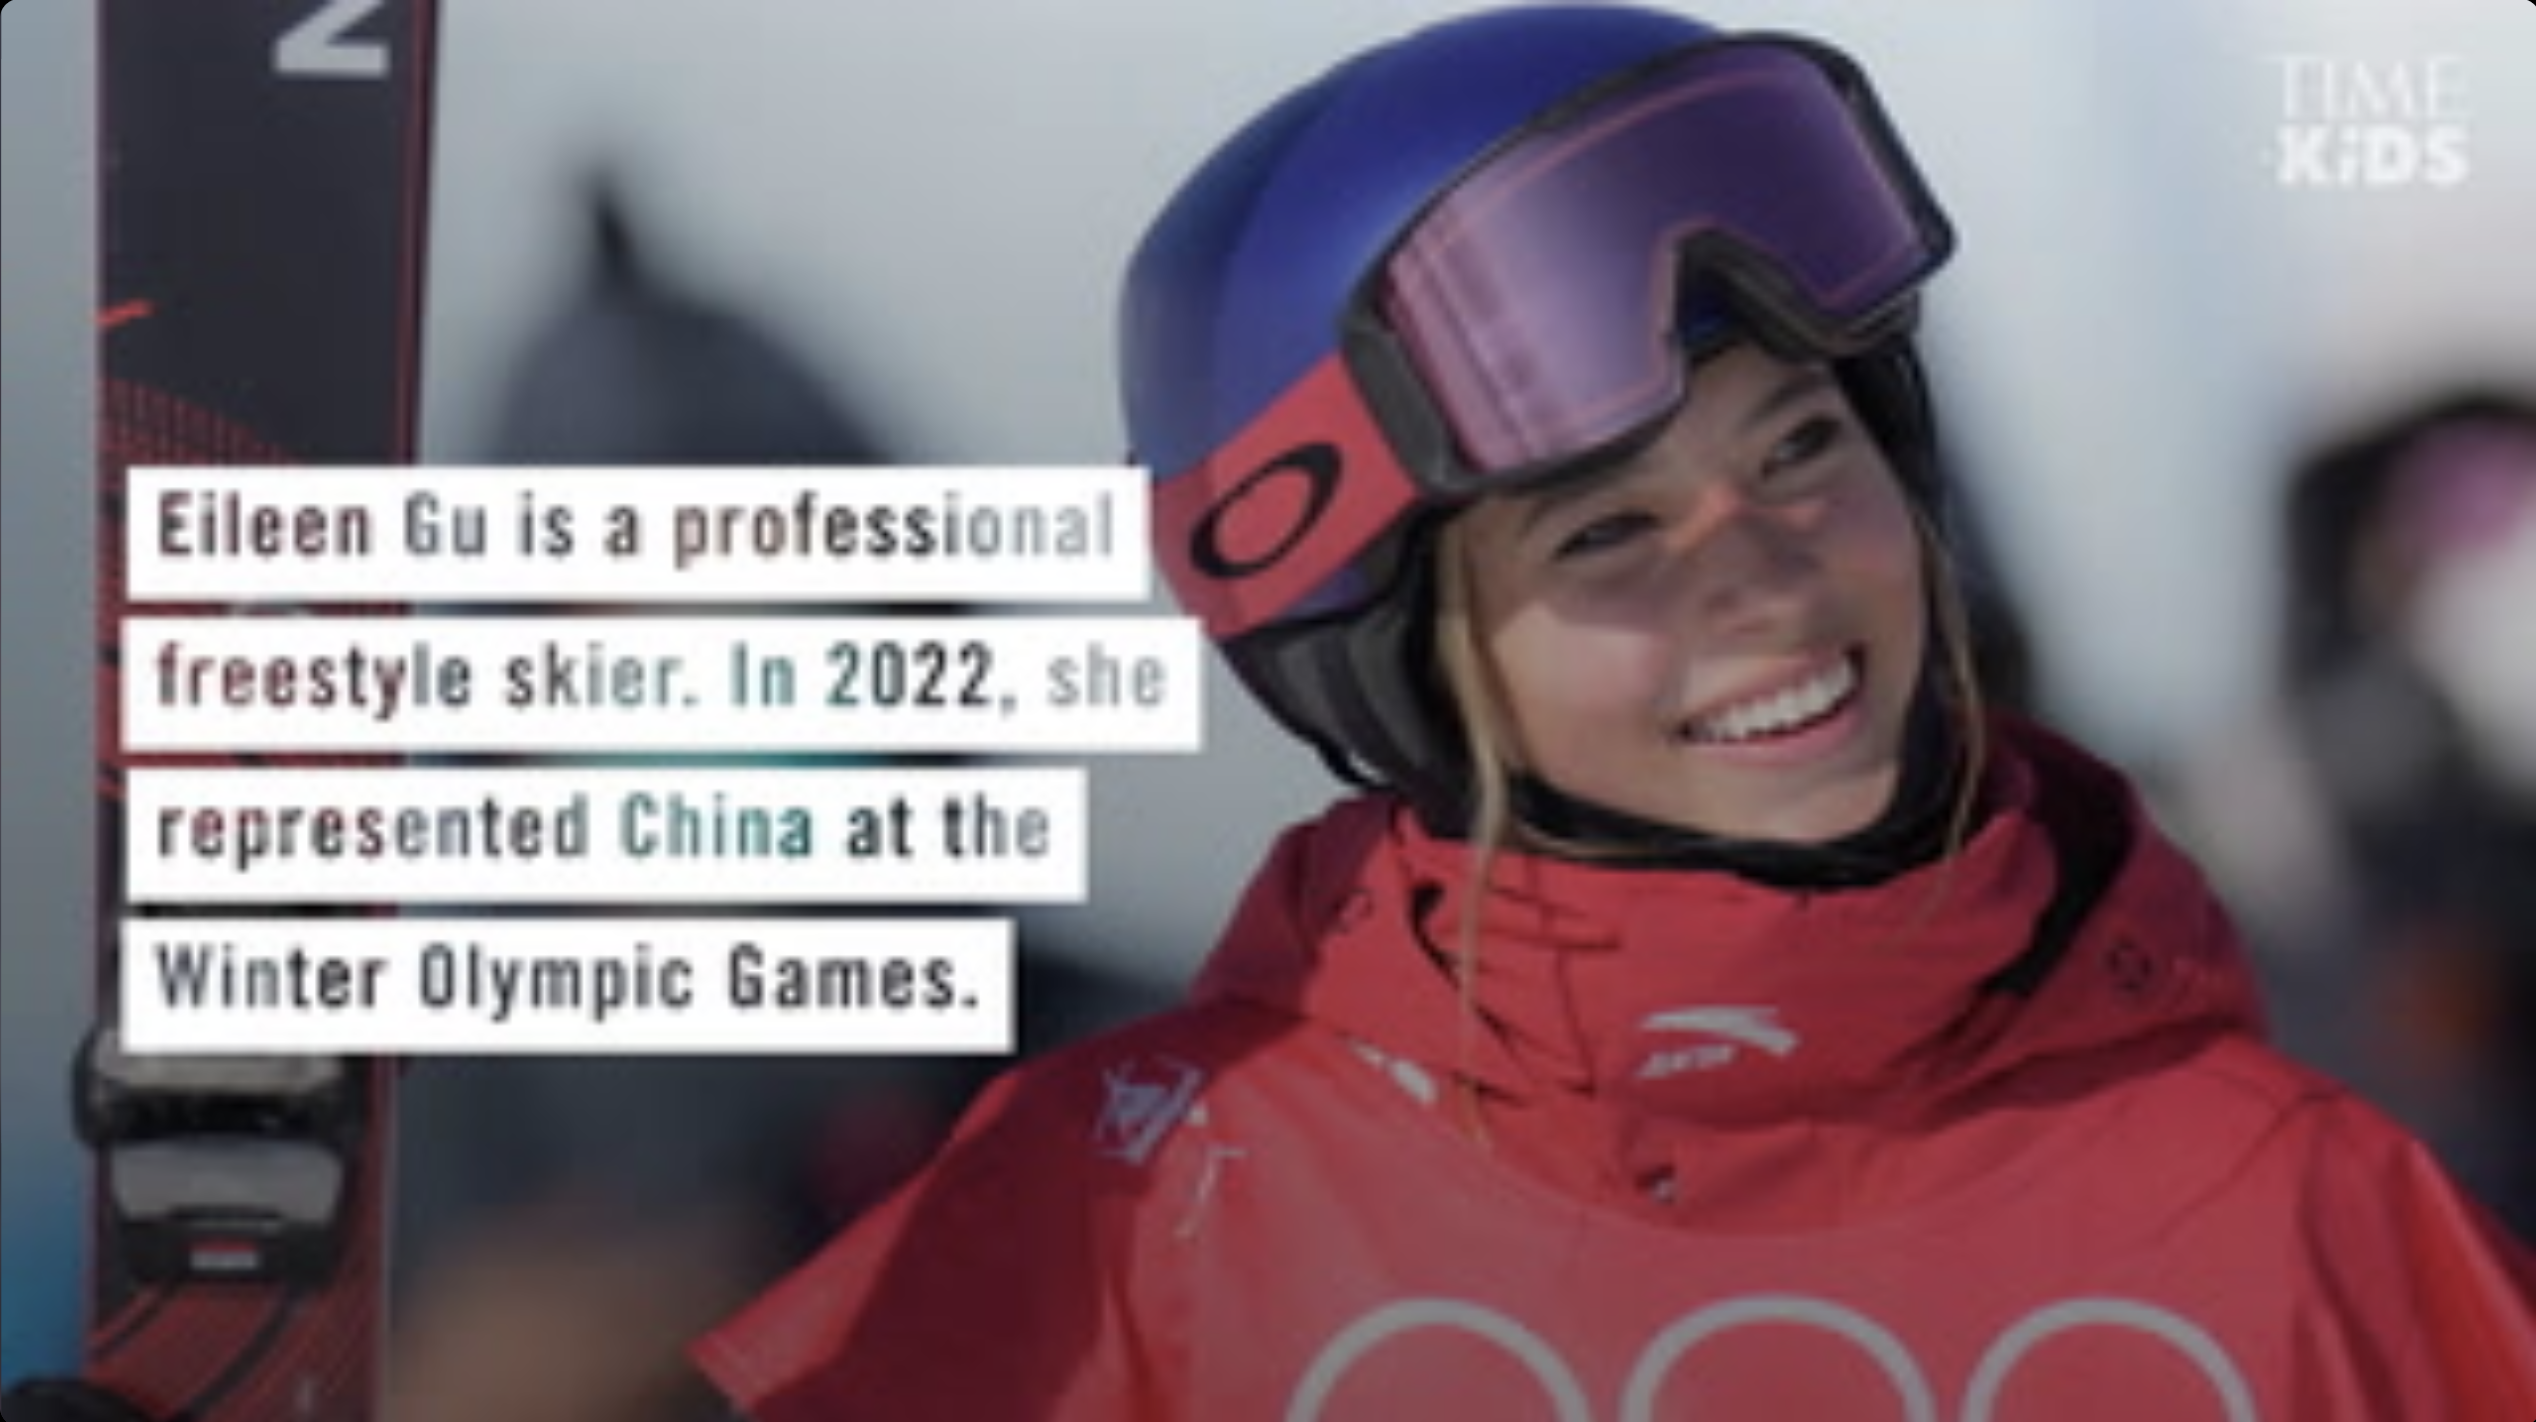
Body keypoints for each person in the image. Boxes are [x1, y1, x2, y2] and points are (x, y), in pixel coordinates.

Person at [691, 7, 2536, 1416]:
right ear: (1400, 652)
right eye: (1607, 530)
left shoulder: (2303, 1201)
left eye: (1804, 442)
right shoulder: (1141, 1207)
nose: (1763, 570)